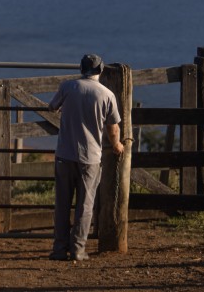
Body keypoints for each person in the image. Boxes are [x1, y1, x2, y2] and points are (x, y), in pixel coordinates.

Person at [47, 53, 125, 261]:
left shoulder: (67, 86)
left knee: (62, 204)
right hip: (90, 158)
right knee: (85, 205)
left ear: (81, 69)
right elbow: (113, 128)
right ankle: (78, 249)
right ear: (100, 70)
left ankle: (58, 249)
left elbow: (52, 107)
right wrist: (117, 145)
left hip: (64, 154)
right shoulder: (107, 95)